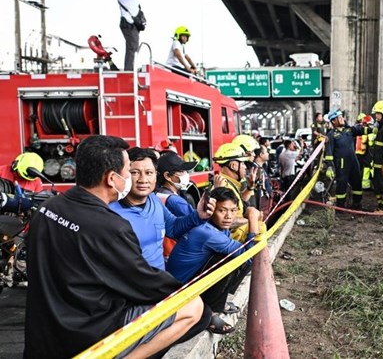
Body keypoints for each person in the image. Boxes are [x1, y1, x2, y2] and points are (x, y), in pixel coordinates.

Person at [24, 135, 204, 358]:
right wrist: (183, 290)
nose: (133, 178)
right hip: (88, 334)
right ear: (112, 178)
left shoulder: (48, 208)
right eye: (130, 171)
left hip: (43, 334)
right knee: (194, 307)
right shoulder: (111, 226)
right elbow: (144, 283)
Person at [167, 187, 260, 335]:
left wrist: (246, 218)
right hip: (179, 290)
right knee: (231, 259)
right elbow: (249, 257)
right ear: (211, 211)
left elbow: (232, 222)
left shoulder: (212, 225)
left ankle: (219, 303)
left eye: (233, 210)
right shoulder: (208, 233)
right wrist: (253, 220)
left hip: (186, 280)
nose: (229, 216)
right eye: (222, 211)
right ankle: (210, 312)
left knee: (230, 256)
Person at [109, 147, 211, 270]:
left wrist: (197, 216)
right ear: (124, 175)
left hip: (159, 283)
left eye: (149, 173)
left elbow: (172, 227)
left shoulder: (154, 200)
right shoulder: (110, 212)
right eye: (135, 172)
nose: (143, 180)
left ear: (156, 176)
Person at [213, 143, 260, 242]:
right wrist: (252, 220)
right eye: (243, 163)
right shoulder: (224, 185)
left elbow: (238, 202)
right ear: (234, 166)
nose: (245, 167)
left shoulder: (229, 183)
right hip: (233, 240)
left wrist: (250, 187)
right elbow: (226, 221)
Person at [324, 110, 365, 209]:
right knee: (341, 184)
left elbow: (361, 130)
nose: (342, 118)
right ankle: (341, 206)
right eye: (340, 117)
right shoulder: (331, 135)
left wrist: (375, 128)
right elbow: (329, 152)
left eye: (342, 116)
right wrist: (329, 166)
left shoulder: (349, 130)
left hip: (353, 162)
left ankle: (357, 204)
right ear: (333, 121)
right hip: (342, 164)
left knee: (357, 183)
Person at [117, 0, 145, 71]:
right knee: (132, 48)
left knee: (133, 48)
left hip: (131, 25)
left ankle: (130, 70)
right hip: (128, 24)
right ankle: (128, 72)